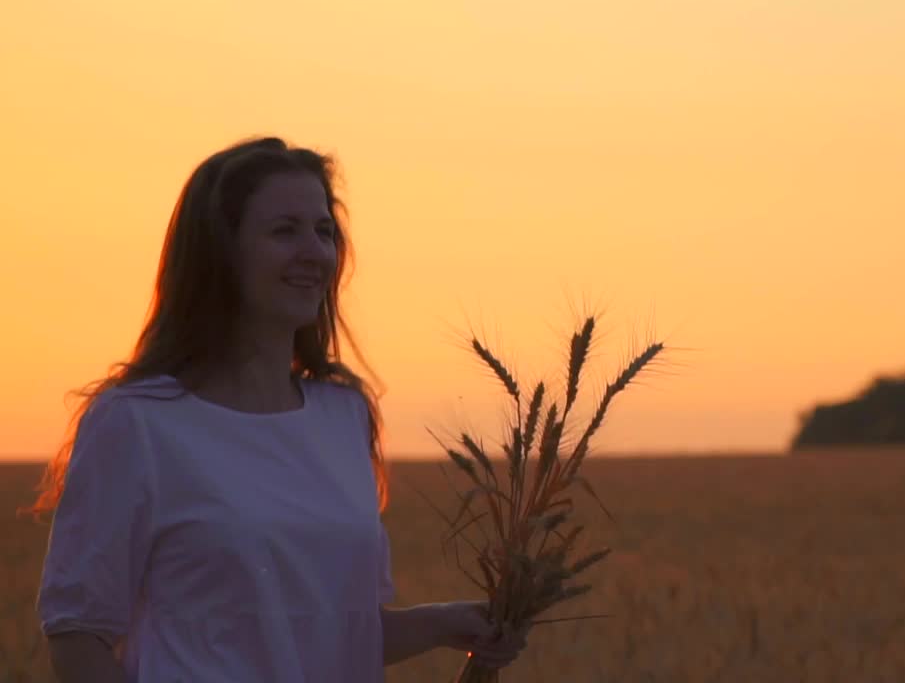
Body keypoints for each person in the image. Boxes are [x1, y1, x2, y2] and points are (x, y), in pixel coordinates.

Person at [18, 136, 529, 682]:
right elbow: (77, 637)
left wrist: (443, 623)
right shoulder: (137, 423)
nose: (314, 252)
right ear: (220, 253)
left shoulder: (344, 415)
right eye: (284, 231)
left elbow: (336, 633)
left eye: (324, 231)